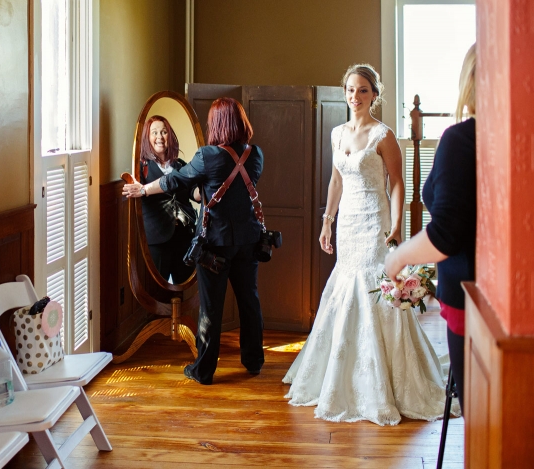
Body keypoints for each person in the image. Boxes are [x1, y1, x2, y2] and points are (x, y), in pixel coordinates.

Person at [283, 63, 452, 425]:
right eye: (350, 89)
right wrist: (327, 221)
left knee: (375, 290)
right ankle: (340, 375)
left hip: (375, 222)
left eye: (362, 90)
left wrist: (397, 224)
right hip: (347, 224)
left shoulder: (383, 135)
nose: (355, 96)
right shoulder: (337, 133)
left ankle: (386, 380)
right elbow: (336, 181)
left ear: (374, 94)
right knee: (346, 287)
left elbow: (397, 183)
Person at [122, 98, 265, 385]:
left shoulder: (208, 155)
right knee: (250, 301)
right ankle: (253, 362)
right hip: (248, 240)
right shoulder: (255, 154)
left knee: (211, 308)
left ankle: (204, 370)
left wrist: (143, 190)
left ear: (219, 124)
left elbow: (173, 181)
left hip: (214, 243)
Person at [384, 44, 477, 413]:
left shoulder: (462, 139)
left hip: (472, 298)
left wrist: (398, 259)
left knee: (482, 416)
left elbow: (445, 234)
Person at [138, 115, 197, 284]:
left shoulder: (181, 165)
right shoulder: (142, 167)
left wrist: (208, 184)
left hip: (184, 236)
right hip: (157, 237)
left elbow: (195, 193)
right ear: (147, 138)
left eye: (164, 132)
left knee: (183, 285)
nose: (160, 137)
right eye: (154, 133)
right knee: (158, 288)